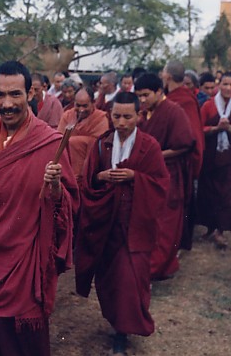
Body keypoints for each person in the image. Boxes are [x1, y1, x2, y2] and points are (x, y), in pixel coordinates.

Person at [0, 61, 79, 356]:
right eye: (0, 95)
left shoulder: (50, 142)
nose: (7, 104)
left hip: (23, 254)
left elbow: (69, 201)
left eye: (15, 95)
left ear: (30, 94)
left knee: (19, 341)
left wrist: (56, 186)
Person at [75, 92, 169, 356]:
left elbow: (161, 183)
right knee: (109, 280)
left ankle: (122, 333)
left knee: (129, 281)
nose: (122, 122)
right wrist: (101, 176)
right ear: (109, 115)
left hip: (134, 224)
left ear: (139, 115)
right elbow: (87, 180)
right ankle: (116, 322)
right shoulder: (102, 144)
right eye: (116, 116)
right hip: (106, 224)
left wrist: (134, 176)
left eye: (128, 116)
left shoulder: (149, 146)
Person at [135, 73, 195, 280]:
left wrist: (156, 156)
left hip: (169, 173)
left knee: (166, 223)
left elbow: (185, 144)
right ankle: (161, 265)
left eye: (146, 95)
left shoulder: (173, 111)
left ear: (159, 91)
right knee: (149, 221)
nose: (142, 100)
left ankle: (156, 267)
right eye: (139, 96)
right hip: (148, 176)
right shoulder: (146, 113)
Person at [162, 60, 204, 250]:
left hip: (180, 160)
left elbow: (192, 136)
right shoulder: (172, 97)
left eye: (163, 73)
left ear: (168, 76)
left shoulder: (183, 100)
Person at [197, 72, 231, 248]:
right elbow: (199, 129)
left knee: (225, 194)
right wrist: (216, 128)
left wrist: (228, 129)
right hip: (210, 156)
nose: (227, 88)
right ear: (220, 85)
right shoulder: (209, 105)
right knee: (208, 191)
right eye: (225, 84)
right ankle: (210, 227)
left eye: (230, 85)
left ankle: (220, 230)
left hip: (227, 158)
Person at [57, 86, 109, 184]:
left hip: (90, 172)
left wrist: (76, 141)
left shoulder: (101, 118)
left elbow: (99, 145)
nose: (81, 109)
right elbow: (59, 141)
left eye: (85, 106)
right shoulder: (67, 115)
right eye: (78, 105)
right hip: (66, 169)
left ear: (93, 103)